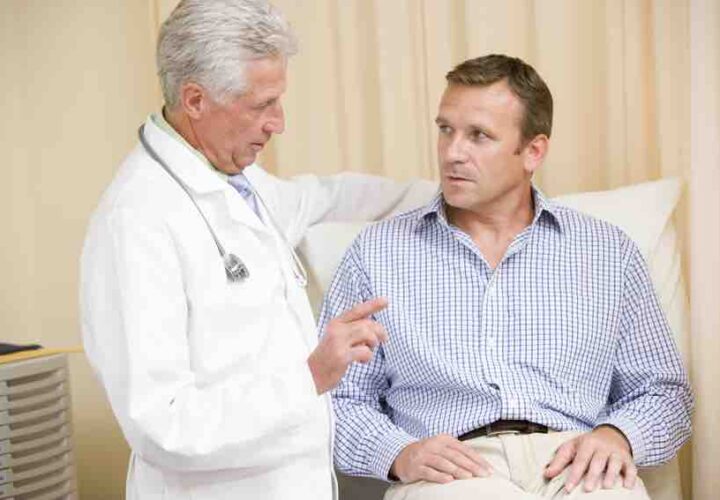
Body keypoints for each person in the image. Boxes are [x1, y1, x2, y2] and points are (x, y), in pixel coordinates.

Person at [80, 1, 435, 499]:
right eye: (261, 104)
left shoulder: (237, 185)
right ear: (196, 100)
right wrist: (311, 376)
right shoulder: (137, 222)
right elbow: (161, 425)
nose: (278, 123)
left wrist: (444, 195)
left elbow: (328, 196)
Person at [319, 54, 693, 500]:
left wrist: (619, 435)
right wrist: (398, 453)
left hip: (576, 461)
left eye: (479, 136)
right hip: (453, 470)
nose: (453, 152)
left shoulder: (609, 253)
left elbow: (664, 390)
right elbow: (333, 398)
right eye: (446, 130)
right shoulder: (376, 254)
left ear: (533, 151)